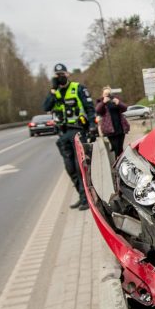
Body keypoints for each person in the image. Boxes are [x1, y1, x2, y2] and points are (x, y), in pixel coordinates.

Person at [42, 63, 95, 210]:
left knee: (80, 167)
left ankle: (87, 198)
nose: (60, 78)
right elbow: (46, 107)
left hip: (78, 131)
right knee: (70, 168)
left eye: (62, 75)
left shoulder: (78, 88)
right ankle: (81, 195)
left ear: (68, 74)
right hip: (63, 134)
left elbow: (90, 109)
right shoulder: (55, 93)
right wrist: (53, 90)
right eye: (57, 76)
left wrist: (92, 125)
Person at [94, 86, 130, 156]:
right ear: (103, 94)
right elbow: (97, 110)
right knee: (115, 147)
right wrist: (103, 102)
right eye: (105, 93)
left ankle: (120, 163)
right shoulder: (101, 102)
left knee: (120, 148)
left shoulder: (115, 100)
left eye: (109, 93)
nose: (107, 95)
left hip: (120, 128)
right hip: (109, 129)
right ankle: (117, 163)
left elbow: (125, 108)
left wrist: (118, 103)